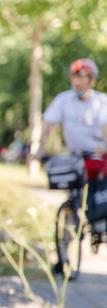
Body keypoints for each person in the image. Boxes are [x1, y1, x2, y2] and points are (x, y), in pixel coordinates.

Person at [42, 58, 107, 259]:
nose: (77, 82)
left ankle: (99, 222)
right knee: (71, 194)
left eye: (82, 78)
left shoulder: (101, 102)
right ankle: (65, 251)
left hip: (98, 155)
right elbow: (49, 126)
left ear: (91, 80)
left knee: (99, 196)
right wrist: (39, 149)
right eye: (74, 78)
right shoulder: (64, 100)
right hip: (75, 156)